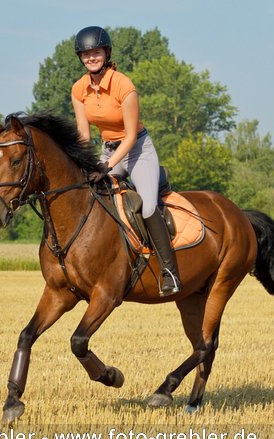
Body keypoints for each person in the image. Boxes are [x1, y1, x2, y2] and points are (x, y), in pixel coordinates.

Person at [71, 26, 181, 297]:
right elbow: (84, 135)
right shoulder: (78, 89)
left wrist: (107, 167)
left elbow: (131, 136)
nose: (91, 58)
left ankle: (170, 272)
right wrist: (82, 163)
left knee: (147, 206)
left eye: (96, 52)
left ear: (106, 53)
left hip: (138, 150)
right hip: (107, 150)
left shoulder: (123, 85)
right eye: (86, 54)